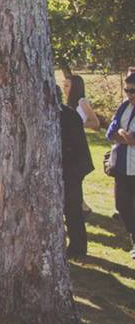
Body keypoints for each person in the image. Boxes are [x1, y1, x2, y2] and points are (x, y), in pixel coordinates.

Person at [59, 88, 95, 258]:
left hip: (73, 167)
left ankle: (78, 248)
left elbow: (73, 146)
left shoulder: (68, 116)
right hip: (68, 167)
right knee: (69, 208)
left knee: (72, 208)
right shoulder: (66, 114)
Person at [105, 72, 135, 259]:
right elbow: (110, 132)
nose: (130, 94)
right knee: (122, 205)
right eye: (127, 90)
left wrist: (125, 136)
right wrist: (124, 134)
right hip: (123, 166)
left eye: (133, 90)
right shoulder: (124, 106)